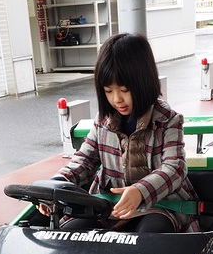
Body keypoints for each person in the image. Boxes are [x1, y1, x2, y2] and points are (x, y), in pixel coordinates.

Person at [40, 32, 198, 233]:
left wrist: (141, 191)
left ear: (143, 82)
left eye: (124, 90)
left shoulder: (168, 121)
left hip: (160, 206)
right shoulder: (103, 121)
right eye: (108, 91)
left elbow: (175, 168)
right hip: (109, 207)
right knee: (70, 232)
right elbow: (85, 161)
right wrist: (57, 183)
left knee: (151, 236)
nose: (116, 100)